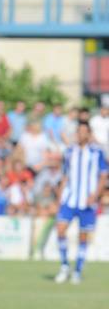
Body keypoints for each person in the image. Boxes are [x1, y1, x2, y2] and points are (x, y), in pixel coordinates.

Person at [53, 122, 107, 285]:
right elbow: (65, 175)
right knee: (60, 230)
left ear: (89, 134)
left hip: (87, 201)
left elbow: (103, 176)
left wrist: (95, 195)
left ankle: (77, 270)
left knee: (83, 237)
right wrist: (59, 197)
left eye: (84, 132)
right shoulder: (70, 152)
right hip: (69, 199)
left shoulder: (96, 153)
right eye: (79, 132)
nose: (81, 135)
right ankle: (64, 266)